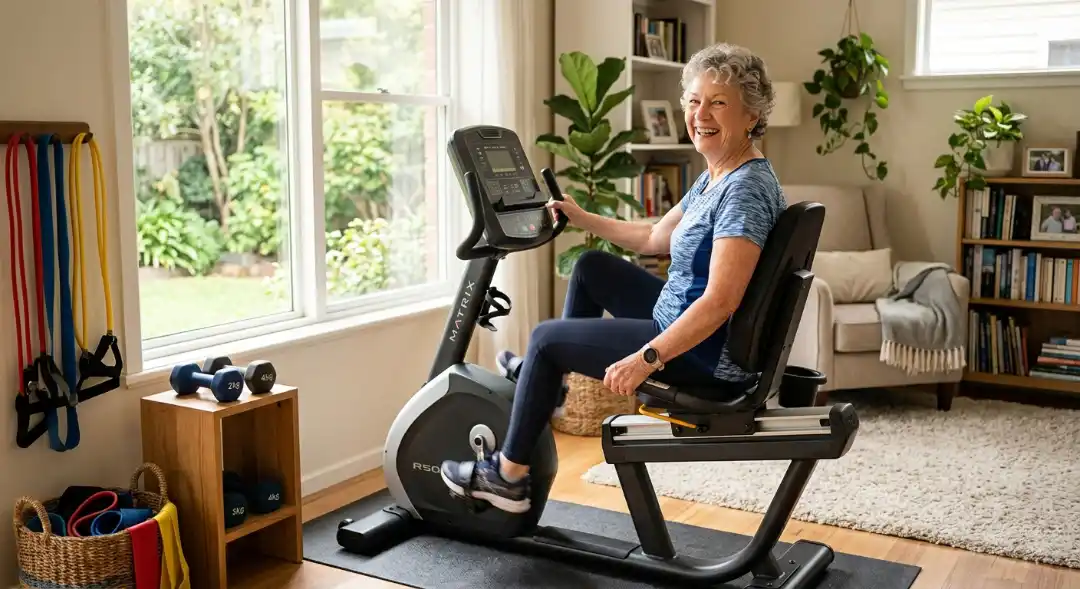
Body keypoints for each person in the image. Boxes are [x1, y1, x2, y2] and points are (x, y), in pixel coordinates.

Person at [440, 42, 788, 514]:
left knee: (544, 340)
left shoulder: (745, 189)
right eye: (693, 100)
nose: (699, 113)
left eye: (718, 102)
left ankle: (507, 477)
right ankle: (553, 388)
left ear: (752, 115)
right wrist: (580, 217)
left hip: (705, 353)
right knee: (590, 267)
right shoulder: (719, 173)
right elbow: (652, 237)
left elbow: (722, 301)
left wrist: (647, 358)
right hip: (685, 323)